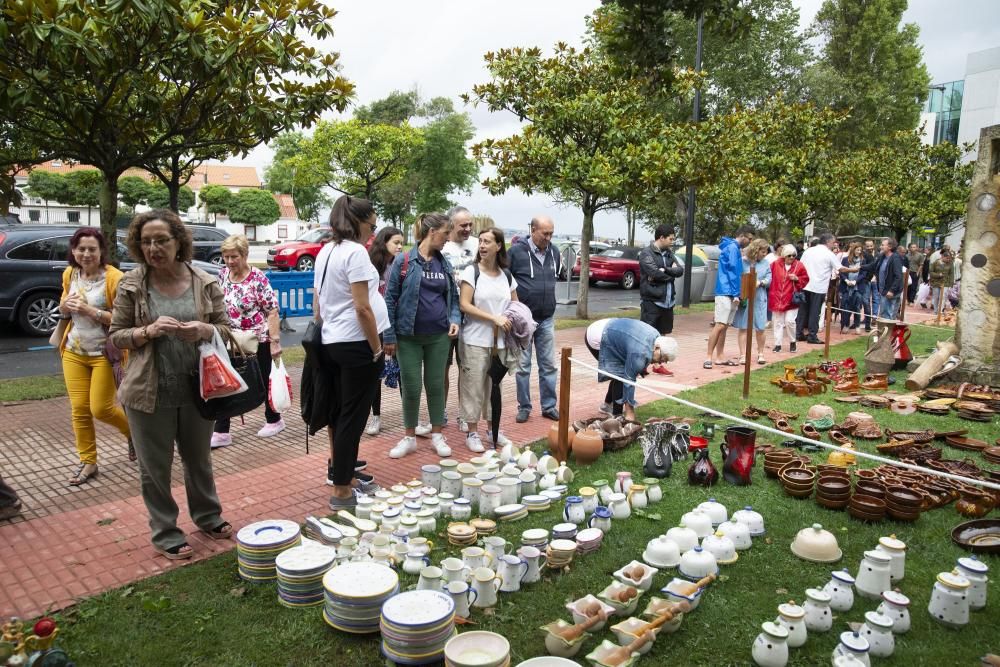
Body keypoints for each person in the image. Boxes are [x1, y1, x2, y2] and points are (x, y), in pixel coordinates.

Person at [109, 210, 232, 560]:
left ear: (179, 242)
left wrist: (206, 330)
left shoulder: (204, 281)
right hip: (149, 393)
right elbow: (116, 337)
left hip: (199, 388)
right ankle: (165, 532)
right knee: (155, 469)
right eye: (146, 241)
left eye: (161, 240)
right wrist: (147, 332)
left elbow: (225, 327)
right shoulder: (132, 284)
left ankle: (208, 517)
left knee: (199, 461)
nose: (153, 248)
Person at [313, 196, 388, 509]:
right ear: (358, 220)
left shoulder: (326, 251)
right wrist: (376, 348)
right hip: (357, 345)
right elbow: (362, 307)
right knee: (351, 418)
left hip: (334, 341)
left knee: (340, 415)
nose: (374, 225)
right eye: (372, 220)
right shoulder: (356, 252)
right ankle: (342, 490)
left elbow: (318, 302)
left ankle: (344, 476)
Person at [57, 228, 132, 485]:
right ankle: (88, 462)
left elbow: (124, 319)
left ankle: (133, 433)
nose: (86, 254)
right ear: (73, 251)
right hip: (74, 351)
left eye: (92, 249)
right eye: (81, 249)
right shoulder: (70, 274)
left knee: (100, 408)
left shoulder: (115, 278)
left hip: (104, 353)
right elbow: (63, 307)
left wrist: (91, 311)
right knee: (79, 410)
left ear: (102, 252)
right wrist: (63, 307)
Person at [384, 213, 460, 459]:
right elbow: (390, 299)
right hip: (408, 336)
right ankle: (409, 438)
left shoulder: (444, 263)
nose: (448, 238)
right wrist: (389, 336)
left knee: (436, 385)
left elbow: (454, 299)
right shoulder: (404, 261)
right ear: (432, 232)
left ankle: (437, 435)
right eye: (445, 233)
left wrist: (455, 320)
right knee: (412, 387)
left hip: (438, 336)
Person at [211, 235, 283, 448]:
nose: (230, 261)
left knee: (261, 380)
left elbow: (272, 311)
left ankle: (274, 419)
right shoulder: (223, 275)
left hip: (257, 339)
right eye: (226, 257)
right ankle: (221, 430)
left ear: (245, 255)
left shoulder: (257, 278)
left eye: (234, 256)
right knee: (226, 382)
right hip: (230, 340)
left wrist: (274, 341)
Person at [458, 227, 519, 452]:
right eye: (480, 241)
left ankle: (493, 429)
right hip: (475, 339)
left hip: (499, 342)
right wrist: (493, 318)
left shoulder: (507, 276)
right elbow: (465, 305)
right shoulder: (471, 272)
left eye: (487, 242)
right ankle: (472, 431)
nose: (482, 246)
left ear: (499, 246)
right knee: (473, 387)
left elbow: (515, 305)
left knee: (496, 386)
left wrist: (514, 321)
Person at [508, 216, 562, 422]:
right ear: (532, 229)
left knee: (548, 365)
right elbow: (506, 280)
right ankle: (524, 407)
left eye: (551, 233)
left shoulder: (555, 252)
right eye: (545, 233)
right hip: (523, 320)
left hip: (546, 318)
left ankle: (549, 406)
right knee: (523, 367)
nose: (548, 238)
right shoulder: (516, 252)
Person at [585, 318, 676, 421]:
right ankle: (617, 416)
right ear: (657, 348)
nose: (661, 362)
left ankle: (606, 405)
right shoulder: (639, 352)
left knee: (620, 372)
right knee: (620, 375)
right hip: (597, 336)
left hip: (609, 326)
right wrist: (630, 412)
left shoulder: (656, 337)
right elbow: (628, 381)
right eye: (662, 358)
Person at [441, 206, 480, 432]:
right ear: (451, 225)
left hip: (471, 316)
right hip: (446, 316)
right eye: (462, 225)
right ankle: (441, 412)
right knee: (442, 368)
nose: (467, 229)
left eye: (469, 224)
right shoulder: (443, 245)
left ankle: (465, 414)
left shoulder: (477, 245)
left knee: (467, 368)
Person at [364, 226, 404, 436]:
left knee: (404, 373)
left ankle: (410, 417)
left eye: (401, 243)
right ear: (383, 242)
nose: (400, 246)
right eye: (396, 242)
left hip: (399, 326)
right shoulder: (372, 267)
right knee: (375, 374)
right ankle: (375, 415)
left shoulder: (404, 265)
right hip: (377, 327)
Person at [704, 225, 754, 368]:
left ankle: (720, 356)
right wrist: (736, 294)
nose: (750, 242)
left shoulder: (733, 247)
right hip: (727, 292)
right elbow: (733, 273)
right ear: (743, 235)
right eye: (749, 238)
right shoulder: (733, 248)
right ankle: (708, 357)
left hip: (729, 291)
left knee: (724, 326)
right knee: (720, 324)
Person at [638, 224, 683, 376]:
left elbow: (680, 270)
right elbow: (654, 273)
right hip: (652, 301)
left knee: (663, 334)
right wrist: (669, 274)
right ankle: (641, 365)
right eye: (670, 239)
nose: (672, 242)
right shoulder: (646, 253)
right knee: (647, 335)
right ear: (661, 238)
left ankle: (658, 365)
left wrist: (667, 271)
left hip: (668, 302)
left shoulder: (669, 254)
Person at [796, 232, 849, 344]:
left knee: (803, 311)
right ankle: (812, 335)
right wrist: (854, 270)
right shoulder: (829, 254)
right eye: (833, 242)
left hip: (805, 285)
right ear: (828, 242)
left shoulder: (808, 251)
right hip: (818, 286)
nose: (834, 244)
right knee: (815, 312)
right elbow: (840, 269)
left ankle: (799, 333)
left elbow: (800, 265)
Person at [732, 238, 771, 365]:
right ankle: (742, 355)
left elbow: (769, 278)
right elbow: (738, 277)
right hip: (746, 297)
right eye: (763, 251)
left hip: (759, 298)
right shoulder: (743, 262)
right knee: (743, 327)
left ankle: (760, 353)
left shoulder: (765, 263)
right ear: (755, 250)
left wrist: (761, 282)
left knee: (760, 327)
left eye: (766, 251)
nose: (765, 254)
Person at [768, 244, 809, 353]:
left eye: (794, 255)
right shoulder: (775, 264)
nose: (791, 257)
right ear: (784, 256)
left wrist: (797, 279)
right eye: (789, 255)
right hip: (777, 298)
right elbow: (768, 276)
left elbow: (805, 279)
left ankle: (792, 341)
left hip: (791, 299)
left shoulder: (799, 266)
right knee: (777, 322)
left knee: (790, 321)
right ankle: (777, 344)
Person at [859, 237, 905, 320]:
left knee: (889, 315)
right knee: (884, 314)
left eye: (883, 245)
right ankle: (885, 331)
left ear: (890, 247)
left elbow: (898, 276)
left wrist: (892, 290)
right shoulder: (882, 256)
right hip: (883, 290)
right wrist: (859, 267)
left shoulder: (895, 258)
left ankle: (888, 332)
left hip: (891, 292)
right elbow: (873, 266)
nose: (881, 247)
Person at [838, 242, 864, 334]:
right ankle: (846, 325)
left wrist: (855, 281)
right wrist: (846, 280)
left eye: (860, 250)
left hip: (857, 288)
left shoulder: (862, 261)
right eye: (857, 250)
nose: (859, 252)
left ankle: (857, 325)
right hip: (846, 287)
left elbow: (863, 274)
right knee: (845, 307)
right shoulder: (845, 259)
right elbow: (841, 271)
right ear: (853, 250)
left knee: (857, 307)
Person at [928, 250, 955, 316]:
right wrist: (938, 275)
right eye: (947, 258)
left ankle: (940, 311)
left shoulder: (950, 264)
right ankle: (935, 310)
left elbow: (951, 274)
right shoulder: (935, 263)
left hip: (945, 283)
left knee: (943, 297)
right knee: (936, 297)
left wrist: (951, 284)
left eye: (949, 258)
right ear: (942, 257)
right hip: (936, 282)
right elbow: (931, 272)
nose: (948, 260)